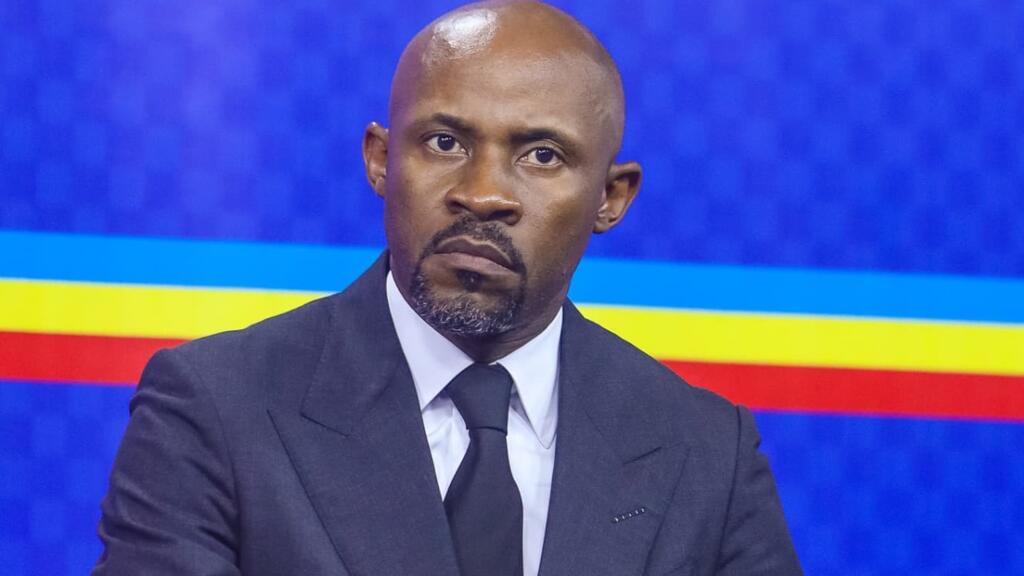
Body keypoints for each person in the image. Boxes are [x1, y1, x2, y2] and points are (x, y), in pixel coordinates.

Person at [94, 1, 802, 575]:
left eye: (542, 155)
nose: (483, 193)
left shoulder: (706, 451)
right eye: (445, 143)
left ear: (611, 198)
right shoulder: (217, 408)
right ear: (381, 159)